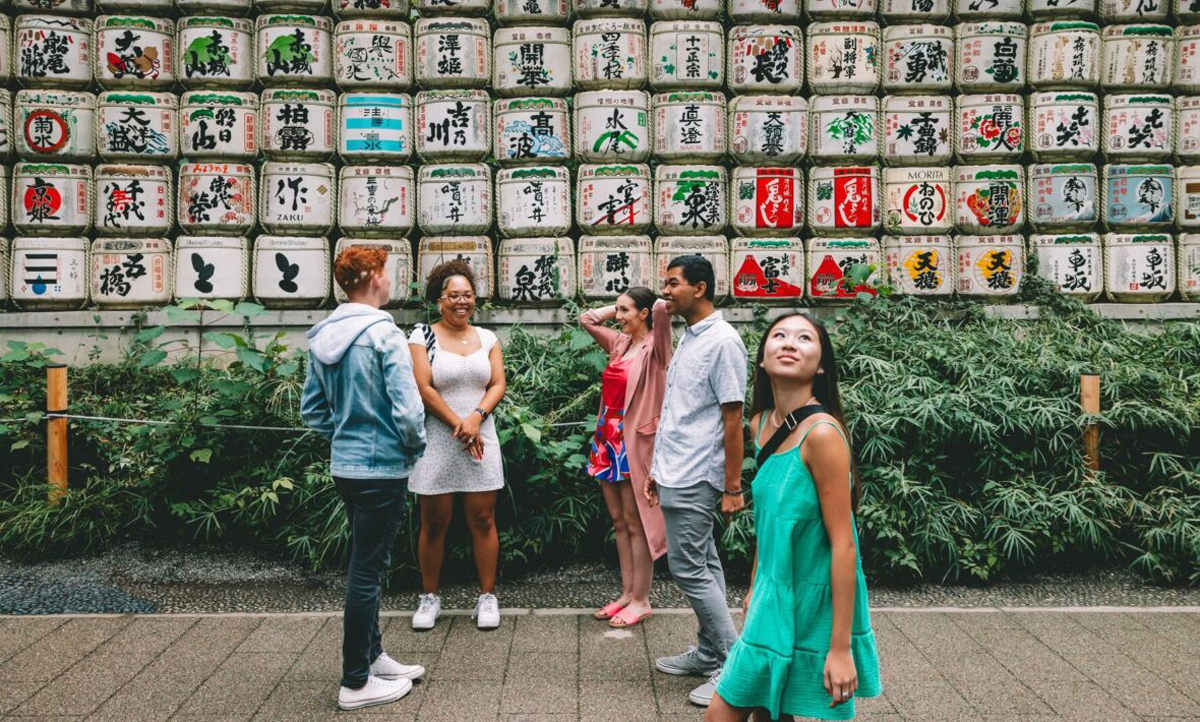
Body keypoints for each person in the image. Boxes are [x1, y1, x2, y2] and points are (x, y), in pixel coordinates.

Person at [706, 313, 882, 722]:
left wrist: (840, 649)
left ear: (820, 365)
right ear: (763, 360)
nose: (789, 343)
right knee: (771, 712)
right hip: (773, 592)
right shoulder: (760, 425)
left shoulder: (822, 434)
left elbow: (844, 542)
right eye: (779, 336)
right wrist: (754, 587)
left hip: (809, 597)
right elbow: (771, 524)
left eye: (804, 338)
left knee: (720, 715)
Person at [300, 247, 428, 711]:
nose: (391, 281)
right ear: (373, 278)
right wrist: (412, 447)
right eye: (388, 273)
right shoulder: (383, 334)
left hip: (346, 466)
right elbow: (409, 409)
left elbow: (311, 410)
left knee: (365, 562)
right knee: (367, 571)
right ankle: (355, 682)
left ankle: (373, 657)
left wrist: (348, 435)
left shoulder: (324, 334)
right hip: (383, 468)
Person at [645, 255, 748, 707]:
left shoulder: (723, 341)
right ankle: (710, 651)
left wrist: (732, 487)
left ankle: (736, 667)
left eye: (672, 284)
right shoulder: (692, 335)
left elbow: (733, 419)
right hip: (676, 467)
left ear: (699, 288)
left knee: (688, 567)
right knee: (704, 562)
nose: (665, 292)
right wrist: (656, 470)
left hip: (696, 472)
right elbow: (679, 412)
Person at [407, 260, 507, 631]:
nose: (461, 301)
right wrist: (459, 424)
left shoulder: (487, 338)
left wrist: (476, 418)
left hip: (481, 436)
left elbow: (497, 383)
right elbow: (423, 388)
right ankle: (429, 596)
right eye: (453, 295)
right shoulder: (421, 336)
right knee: (434, 521)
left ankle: (487, 596)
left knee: (483, 518)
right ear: (439, 300)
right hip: (438, 438)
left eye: (467, 295)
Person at [579, 287, 671, 628]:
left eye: (625, 310)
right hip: (608, 438)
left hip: (635, 442)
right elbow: (586, 318)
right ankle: (626, 594)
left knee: (637, 523)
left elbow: (662, 309)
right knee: (619, 523)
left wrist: (649, 302)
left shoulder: (657, 349)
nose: (617, 316)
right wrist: (618, 306)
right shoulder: (620, 343)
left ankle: (642, 599)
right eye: (617, 311)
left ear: (644, 314)